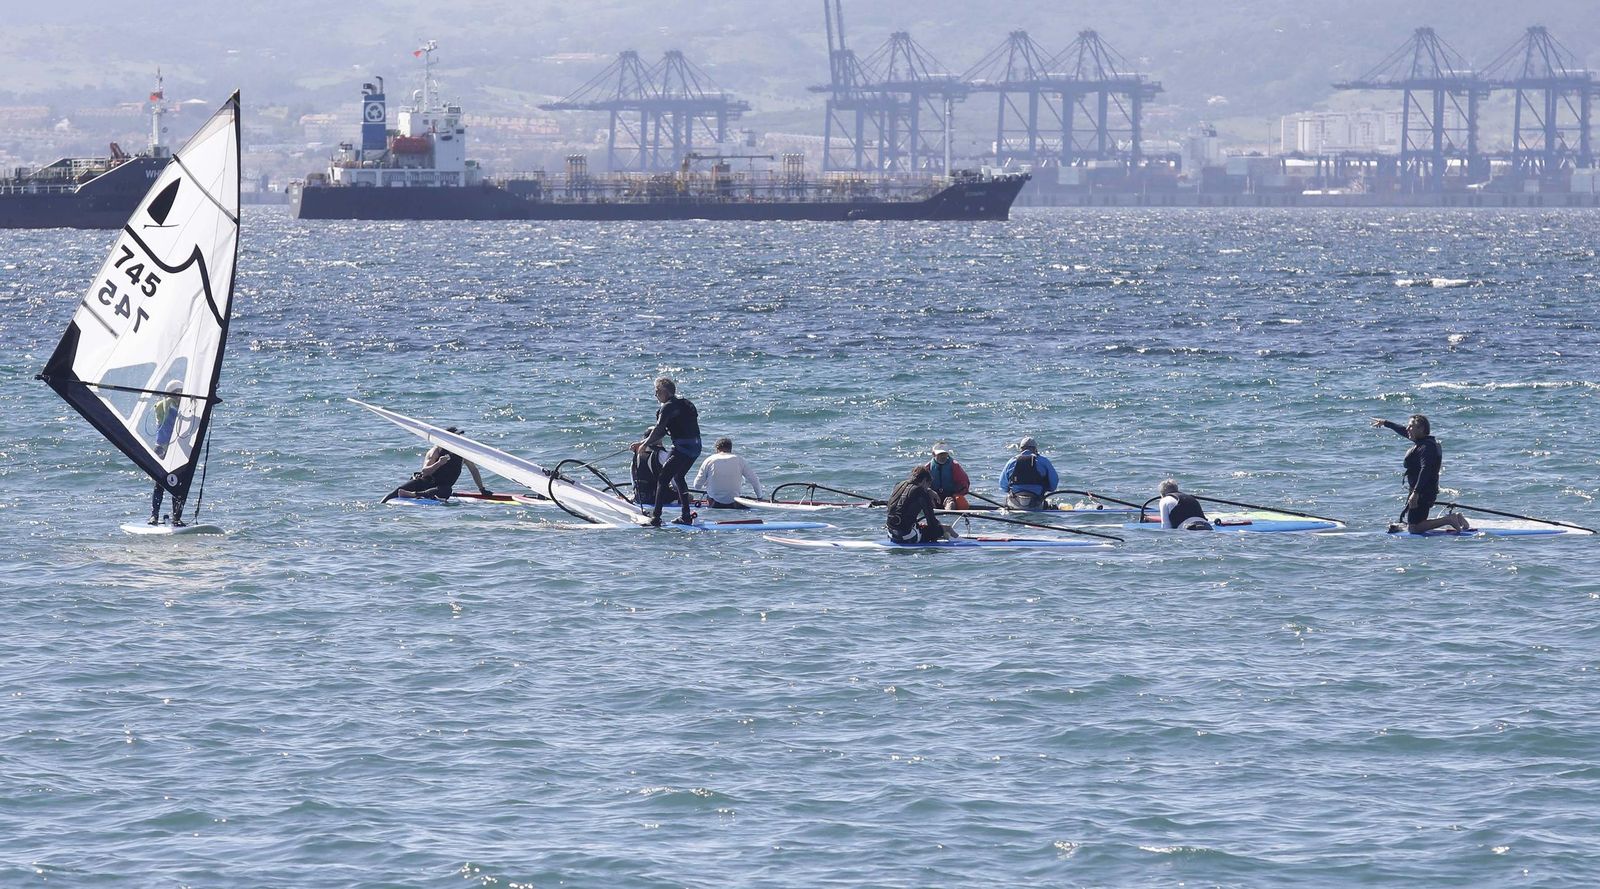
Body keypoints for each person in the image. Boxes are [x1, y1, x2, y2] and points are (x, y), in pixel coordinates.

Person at [1372, 414, 1471, 533]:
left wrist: (1416, 493)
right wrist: (1386, 423)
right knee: (1413, 523)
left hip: (1424, 492)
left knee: (1414, 528)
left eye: (1411, 426)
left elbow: (1426, 470)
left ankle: (1449, 519)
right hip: (1421, 490)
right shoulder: (1422, 442)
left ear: (1422, 429)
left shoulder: (1426, 447)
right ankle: (1457, 518)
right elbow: (1403, 431)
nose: (1407, 429)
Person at [637, 376, 701, 526]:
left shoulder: (667, 407)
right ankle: (686, 516)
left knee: (663, 479)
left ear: (662, 391)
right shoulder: (687, 403)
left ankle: (656, 517)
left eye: (656, 392)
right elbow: (665, 431)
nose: (656, 396)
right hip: (696, 448)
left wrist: (644, 445)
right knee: (678, 477)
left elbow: (659, 430)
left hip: (682, 448)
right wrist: (643, 442)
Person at [381, 426, 492, 503]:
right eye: (456, 438)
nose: (458, 440)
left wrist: (482, 489)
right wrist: (439, 463)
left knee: (447, 490)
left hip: (441, 487)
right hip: (425, 482)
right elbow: (425, 472)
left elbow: (474, 470)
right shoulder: (436, 451)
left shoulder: (462, 454)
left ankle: (413, 495)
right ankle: (381, 504)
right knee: (396, 492)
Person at [885, 465, 957, 543]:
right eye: (928, 485)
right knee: (945, 529)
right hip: (908, 537)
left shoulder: (898, 485)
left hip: (891, 534)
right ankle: (958, 539)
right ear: (924, 481)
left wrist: (928, 490)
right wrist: (942, 529)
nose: (927, 488)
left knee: (918, 525)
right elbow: (932, 523)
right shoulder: (921, 493)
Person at [148, 381, 186, 526]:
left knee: (177, 485)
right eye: (177, 393)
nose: (179, 397)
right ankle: (154, 516)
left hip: (177, 450)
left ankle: (176, 517)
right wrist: (170, 397)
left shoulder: (183, 409)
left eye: (181, 393)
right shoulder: (163, 406)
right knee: (160, 484)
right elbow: (162, 406)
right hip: (162, 449)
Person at [693, 437, 763, 508]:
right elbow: (754, 480)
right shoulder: (740, 460)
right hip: (734, 503)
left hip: (714, 503)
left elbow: (697, 486)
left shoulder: (708, 460)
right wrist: (759, 498)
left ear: (717, 449)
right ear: (730, 449)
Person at [998, 436, 1059, 510]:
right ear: (1035, 449)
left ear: (1021, 449)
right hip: (1036, 503)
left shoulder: (1011, 462)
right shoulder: (1044, 462)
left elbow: (1003, 485)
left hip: (1015, 503)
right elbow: (1053, 485)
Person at [630, 426, 671, 509]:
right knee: (688, 496)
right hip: (659, 498)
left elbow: (633, 479)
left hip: (640, 498)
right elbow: (674, 478)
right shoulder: (663, 455)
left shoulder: (636, 456)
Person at [926, 442, 971, 510]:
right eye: (940, 454)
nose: (943, 457)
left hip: (949, 496)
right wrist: (929, 491)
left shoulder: (955, 466)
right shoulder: (928, 467)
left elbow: (964, 483)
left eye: (945, 454)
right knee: (927, 502)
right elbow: (919, 485)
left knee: (951, 504)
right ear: (934, 454)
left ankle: (947, 516)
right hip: (933, 497)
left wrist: (956, 492)